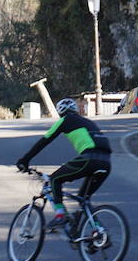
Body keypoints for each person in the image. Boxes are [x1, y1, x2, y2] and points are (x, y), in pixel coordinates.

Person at [15, 96, 112, 227]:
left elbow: (44, 141)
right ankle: (98, 232)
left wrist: (25, 160)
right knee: (84, 198)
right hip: (106, 162)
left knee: (54, 179)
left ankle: (61, 214)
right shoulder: (87, 121)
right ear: (75, 110)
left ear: (60, 112)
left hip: (89, 159)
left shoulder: (65, 120)